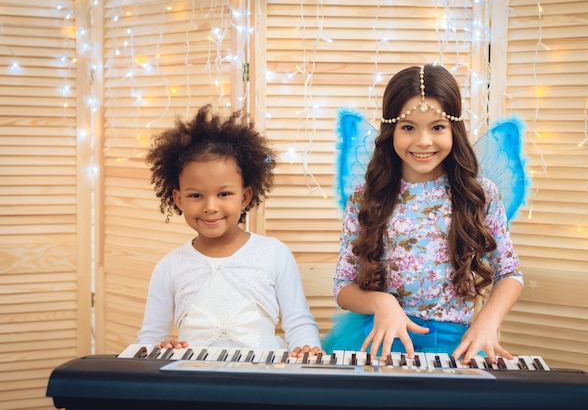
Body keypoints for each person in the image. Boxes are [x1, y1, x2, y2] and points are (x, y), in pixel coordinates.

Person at [322, 64, 523, 366]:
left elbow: (509, 273)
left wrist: (488, 320)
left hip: (455, 347)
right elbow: (343, 286)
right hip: (381, 344)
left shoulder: (480, 194)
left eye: (437, 127)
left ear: (454, 128)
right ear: (391, 130)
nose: (424, 141)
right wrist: (381, 301)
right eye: (408, 127)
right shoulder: (366, 197)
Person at [136, 104, 322, 358]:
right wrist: (160, 349)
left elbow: (299, 323)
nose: (210, 207)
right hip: (195, 381)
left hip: (262, 379)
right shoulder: (169, 267)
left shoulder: (274, 253)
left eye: (224, 194)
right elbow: (149, 340)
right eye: (196, 195)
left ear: (245, 196)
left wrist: (307, 352)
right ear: (179, 200)